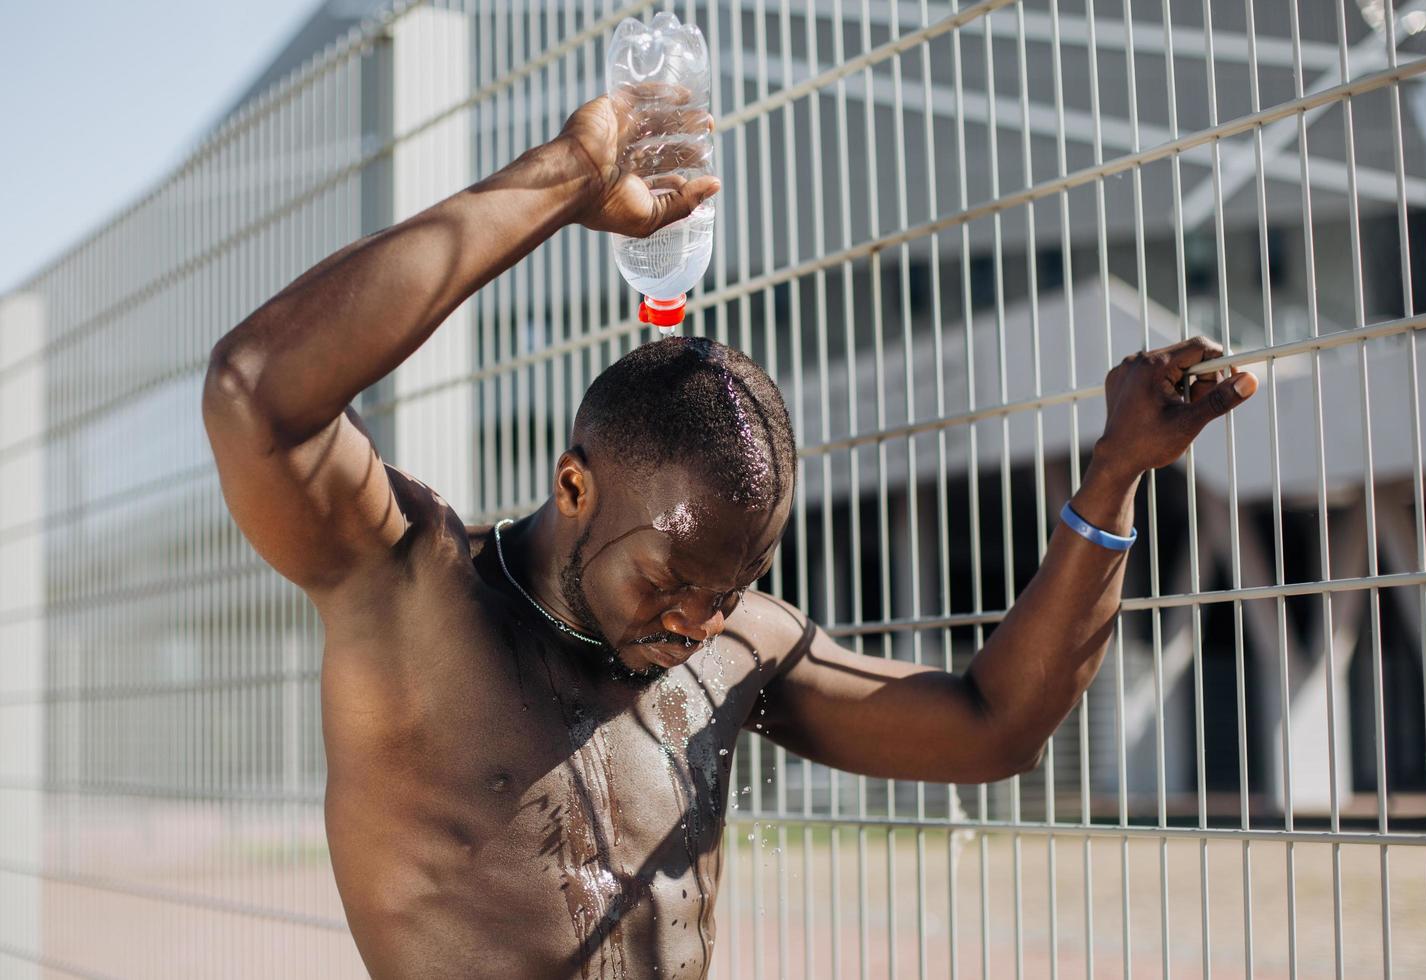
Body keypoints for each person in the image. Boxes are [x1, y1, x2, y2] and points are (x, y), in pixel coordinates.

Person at [201, 86, 1258, 979]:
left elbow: (992, 725)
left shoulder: (731, 647)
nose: (698, 619)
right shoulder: (411, 593)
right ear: (575, 484)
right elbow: (257, 394)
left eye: (730, 586)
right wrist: (560, 181)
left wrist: (1114, 475)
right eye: (670, 579)